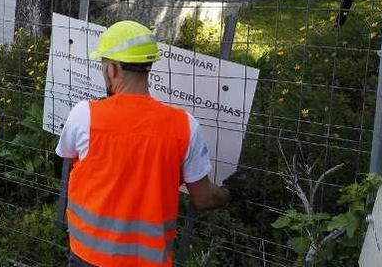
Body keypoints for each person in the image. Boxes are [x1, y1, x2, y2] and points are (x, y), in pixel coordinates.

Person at [55, 20, 246, 267]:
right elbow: (204, 199)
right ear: (149, 66)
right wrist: (230, 194)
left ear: (112, 69)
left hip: (87, 257)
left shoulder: (84, 115)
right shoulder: (185, 126)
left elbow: (66, 159)